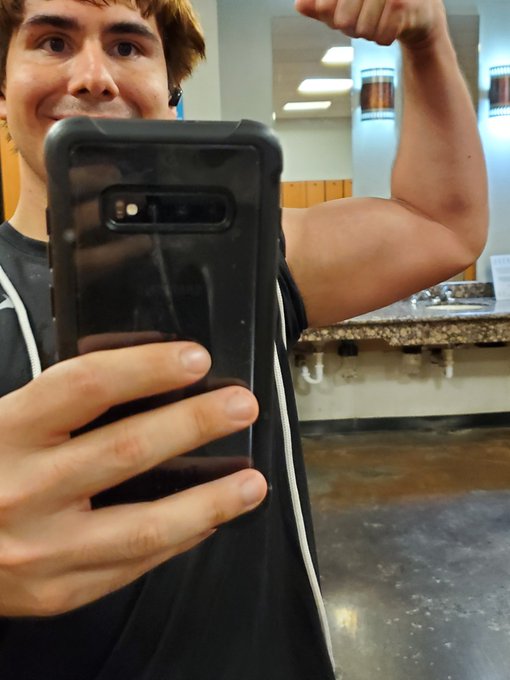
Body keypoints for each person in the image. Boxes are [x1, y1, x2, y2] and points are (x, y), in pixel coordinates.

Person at [0, 0, 488, 678]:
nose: (93, 77)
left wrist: (427, 41)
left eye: (127, 46)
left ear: (170, 92)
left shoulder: (258, 256)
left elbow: (444, 227)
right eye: (52, 41)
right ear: (2, 92)